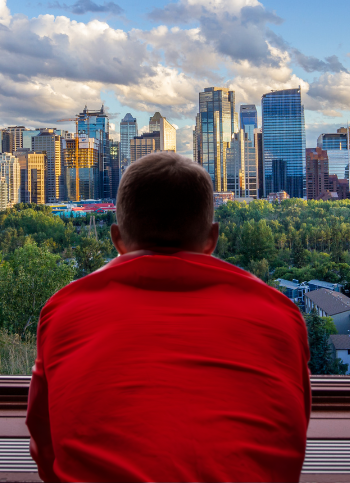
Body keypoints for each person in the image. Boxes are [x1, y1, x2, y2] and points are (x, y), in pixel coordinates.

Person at [26, 152, 311, 482]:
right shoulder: (280, 315)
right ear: (211, 239)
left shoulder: (64, 312)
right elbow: (292, 432)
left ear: (117, 239)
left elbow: (44, 441)